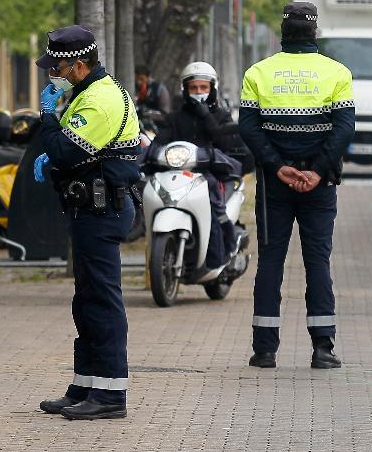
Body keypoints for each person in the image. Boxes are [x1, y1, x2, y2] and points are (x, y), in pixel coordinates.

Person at [236, 2, 355, 370]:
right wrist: (318, 171)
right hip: (318, 187)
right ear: (314, 32)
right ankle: (323, 349)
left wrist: (277, 167)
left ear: (283, 33)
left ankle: (265, 350)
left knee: (270, 262)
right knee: (317, 262)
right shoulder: (337, 73)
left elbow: (249, 128)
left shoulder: (258, 72)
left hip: (275, 185)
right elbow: (343, 129)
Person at [30, 25, 139, 421]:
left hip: (101, 210)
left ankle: (111, 395)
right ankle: (86, 384)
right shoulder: (88, 92)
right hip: (90, 208)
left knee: (102, 303)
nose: (51, 74)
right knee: (86, 301)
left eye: (56, 67)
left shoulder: (100, 100)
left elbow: (62, 150)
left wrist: (47, 115)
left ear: (77, 65)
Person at [151, 61, 252, 281]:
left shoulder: (221, 116)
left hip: (212, 174)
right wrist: (149, 155)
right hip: (180, 175)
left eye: (203, 88)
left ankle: (221, 250)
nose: (198, 92)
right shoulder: (175, 117)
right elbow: (160, 141)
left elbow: (224, 142)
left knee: (213, 201)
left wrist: (207, 116)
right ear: (185, 90)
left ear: (212, 88)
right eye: (194, 88)